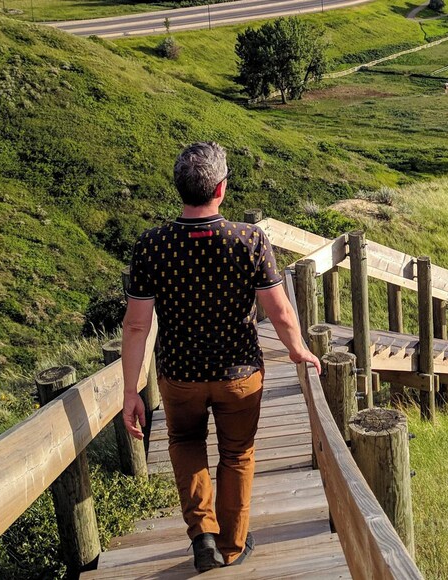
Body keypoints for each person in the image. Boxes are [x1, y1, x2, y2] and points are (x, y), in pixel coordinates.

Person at [119, 142, 320, 573]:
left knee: (185, 444)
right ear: (221, 188)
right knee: (238, 453)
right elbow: (279, 310)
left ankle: (203, 533)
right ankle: (231, 545)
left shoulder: (152, 244)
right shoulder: (248, 239)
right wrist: (297, 349)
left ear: (180, 189)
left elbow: (136, 326)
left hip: (179, 376)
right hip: (239, 374)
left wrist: (131, 389)